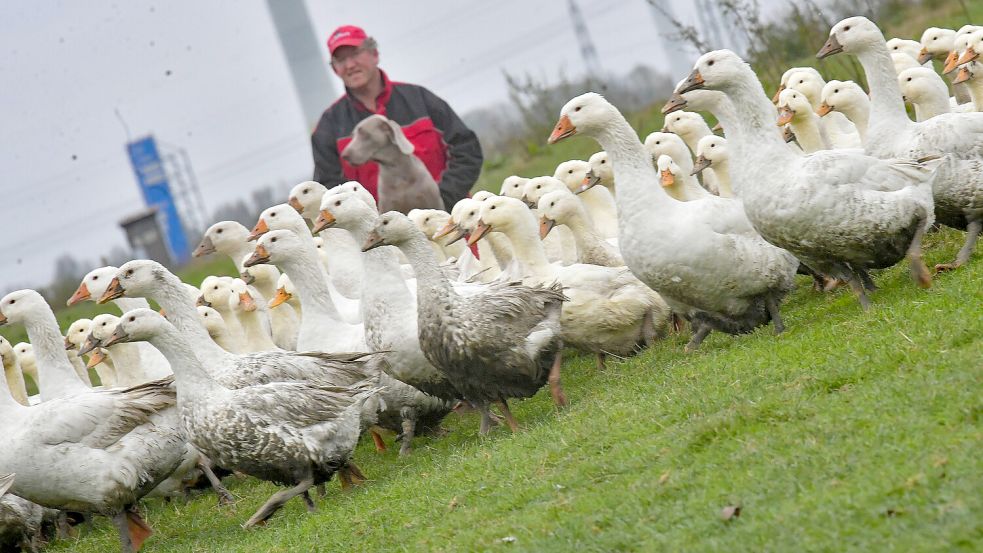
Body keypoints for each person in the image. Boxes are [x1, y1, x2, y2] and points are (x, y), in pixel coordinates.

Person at [312, 25, 483, 210]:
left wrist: (440, 200)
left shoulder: (421, 100)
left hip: (449, 226)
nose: (350, 65)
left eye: (355, 54)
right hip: (384, 236)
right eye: (340, 60)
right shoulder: (328, 127)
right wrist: (375, 226)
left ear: (375, 54)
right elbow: (329, 190)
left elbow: (467, 150)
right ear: (334, 69)